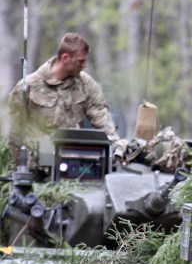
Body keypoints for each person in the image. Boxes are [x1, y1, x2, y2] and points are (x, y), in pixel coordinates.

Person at [7, 32, 119, 165]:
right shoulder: (28, 87)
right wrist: (16, 171)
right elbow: (14, 134)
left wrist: (116, 145)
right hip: (36, 168)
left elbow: (100, 116)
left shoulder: (85, 84)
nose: (84, 65)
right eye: (80, 61)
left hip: (73, 163)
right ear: (65, 58)